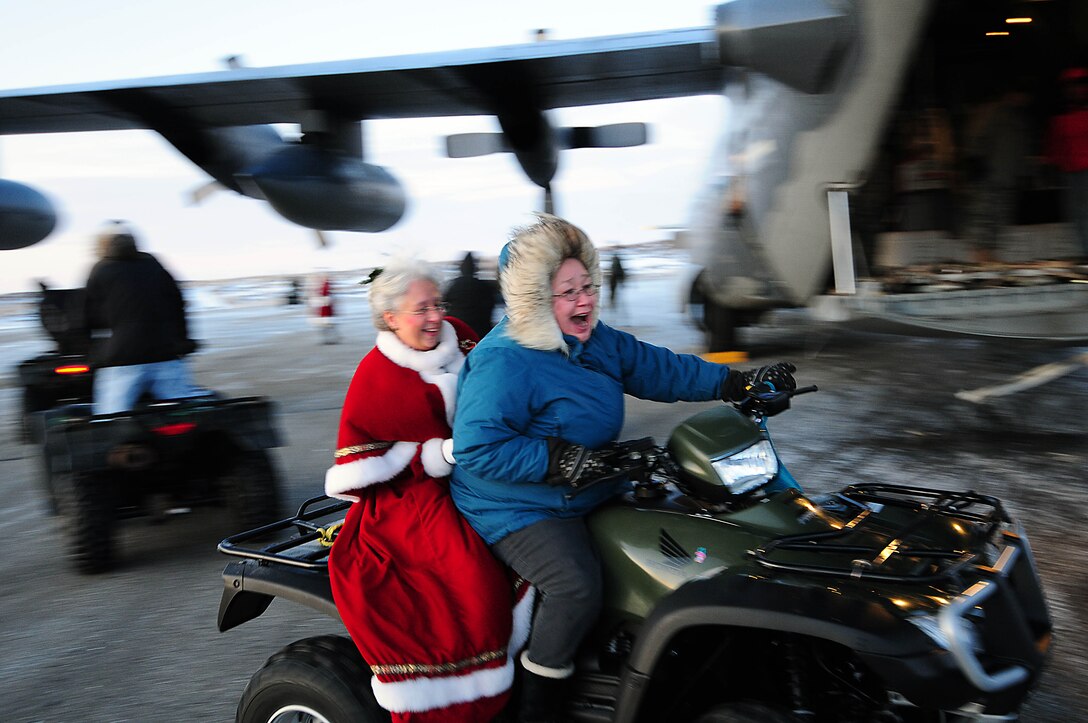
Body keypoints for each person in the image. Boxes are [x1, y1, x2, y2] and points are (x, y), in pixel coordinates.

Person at [449, 215, 796, 722]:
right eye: (567, 292)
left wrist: (736, 384)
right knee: (576, 585)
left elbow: (657, 368)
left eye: (587, 285)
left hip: (586, 480)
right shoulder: (505, 360)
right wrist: (559, 459)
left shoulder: (596, 341)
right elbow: (477, 447)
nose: (585, 300)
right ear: (535, 300)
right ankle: (536, 704)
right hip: (514, 502)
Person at [324, 259, 532, 723]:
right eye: (421, 309)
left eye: (437, 304)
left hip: (484, 466)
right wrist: (447, 452)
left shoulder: (458, 335)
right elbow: (371, 466)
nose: (435, 316)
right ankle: (466, 693)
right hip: (412, 494)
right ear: (391, 318)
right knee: (465, 575)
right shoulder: (376, 377)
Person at [84, 222, 204, 415]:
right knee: (182, 415)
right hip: (167, 356)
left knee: (110, 421)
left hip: (122, 360)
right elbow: (178, 305)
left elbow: (90, 316)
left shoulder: (101, 270)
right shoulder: (155, 265)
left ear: (102, 247)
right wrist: (183, 342)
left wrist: (92, 352)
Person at [1045, 67, 1088, 258]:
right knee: (1078, 216)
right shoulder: (1060, 117)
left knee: (1081, 214)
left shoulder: (1064, 117)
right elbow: (1054, 146)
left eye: (1079, 85)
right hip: (1071, 173)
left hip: (1078, 171)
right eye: (1070, 86)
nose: (1075, 90)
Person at [444, 251, 499, 337]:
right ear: (475, 268)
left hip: (458, 331)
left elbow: (444, 303)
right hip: (481, 332)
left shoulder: (452, 285)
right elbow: (491, 303)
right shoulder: (484, 286)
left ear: (461, 268)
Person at [309, 271, 339, 344]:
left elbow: (325, 298)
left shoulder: (325, 285)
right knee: (327, 325)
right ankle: (331, 338)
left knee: (326, 325)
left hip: (325, 310)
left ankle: (330, 339)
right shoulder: (325, 285)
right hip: (325, 310)